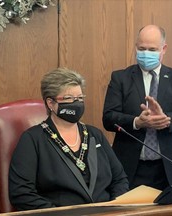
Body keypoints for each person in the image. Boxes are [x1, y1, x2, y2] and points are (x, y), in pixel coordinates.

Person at [9, 68, 129, 211]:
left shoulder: (94, 135)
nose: (76, 103)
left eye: (79, 98)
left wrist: (115, 209)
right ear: (50, 103)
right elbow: (21, 194)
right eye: (68, 98)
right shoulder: (32, 139)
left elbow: (119, 180)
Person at [102, 24, 172, 190]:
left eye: (152, 49)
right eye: (142, 48)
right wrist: (136, 122)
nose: (146, 53)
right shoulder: (121, 78)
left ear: (164, 49)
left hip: (169, 169)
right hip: (129, 168)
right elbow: (108, 118)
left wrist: (167, 120)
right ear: (136, 47)